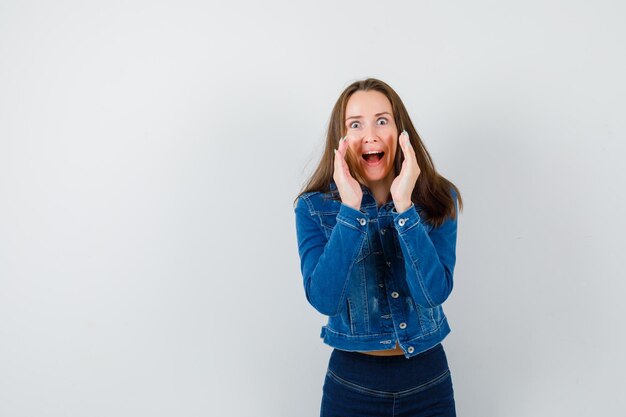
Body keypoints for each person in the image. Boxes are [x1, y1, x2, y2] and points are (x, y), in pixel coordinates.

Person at [293, 78, 463, 416]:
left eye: (381, 121)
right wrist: (350, 211)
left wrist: (405, 208)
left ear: (401, 132)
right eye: (355, 124)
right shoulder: (313, 207)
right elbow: (325, 299)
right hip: (353, 385)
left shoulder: (439, 199)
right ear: (340, 140)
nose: (370, 134)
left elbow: (433, 293)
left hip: (428, 381)